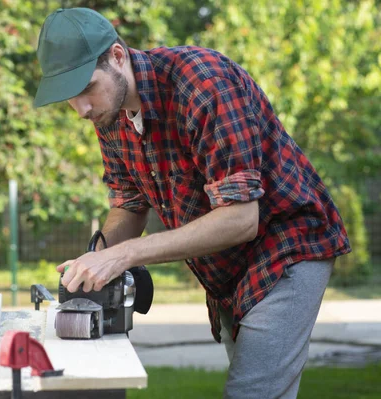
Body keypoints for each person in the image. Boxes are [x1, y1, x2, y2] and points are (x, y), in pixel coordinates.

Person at [33, 7, 351, 399]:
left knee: (252, 392)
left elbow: (240, 218)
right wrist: (96, 257)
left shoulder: (202, 82)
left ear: (117, 56)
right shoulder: (109, 114)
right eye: (69, 98)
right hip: (227, 269)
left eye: (86, 87)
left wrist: (125, 255)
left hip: (286, 245)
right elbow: (130, 205)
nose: (81, 109)